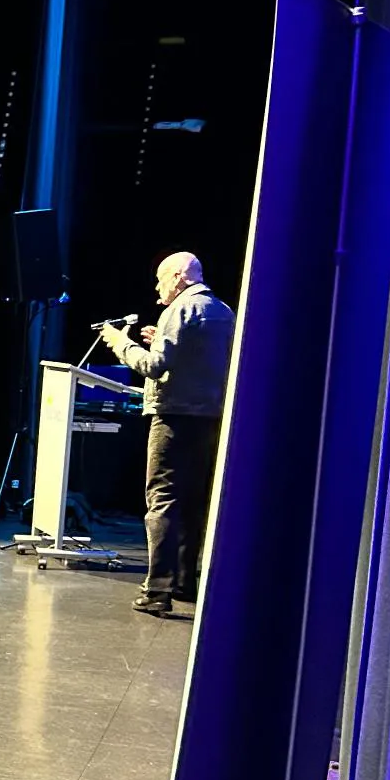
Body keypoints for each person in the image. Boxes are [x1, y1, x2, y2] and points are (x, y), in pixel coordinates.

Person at [100, 251, 237, 615]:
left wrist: (120, 343)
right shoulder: (223, 311)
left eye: (161, 279)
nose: (158, 288)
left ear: (178, 277)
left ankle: (156, 591)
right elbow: (198, 360)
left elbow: (154, 366)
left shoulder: (179, 309)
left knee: (162, 500)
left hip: (173, 418)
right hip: (210, 418)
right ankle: (184, 581)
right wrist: (159, 338)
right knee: (192, 502)